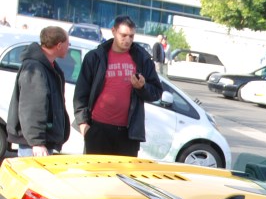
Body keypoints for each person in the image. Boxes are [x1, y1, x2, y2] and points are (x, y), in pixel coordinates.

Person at [73, 15, 162, 157]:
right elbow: (81, 93)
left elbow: (157, 93)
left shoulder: (142, 59)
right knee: (96, 175)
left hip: (128, 134)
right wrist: (83, 123)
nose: (127, 40)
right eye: (123, 35)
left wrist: (142, 87)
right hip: (98, 130)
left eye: (131, 36)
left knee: (122, 178)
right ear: (113, 31)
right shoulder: (96, 57)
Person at [7, 26, 71, 157]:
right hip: (34, 146)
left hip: (42, 142)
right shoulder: (36, 68)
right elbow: (32, 107)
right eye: (67, 43)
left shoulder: (48, 66)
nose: (68, 47)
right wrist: (37, 142)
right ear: (59, 45)